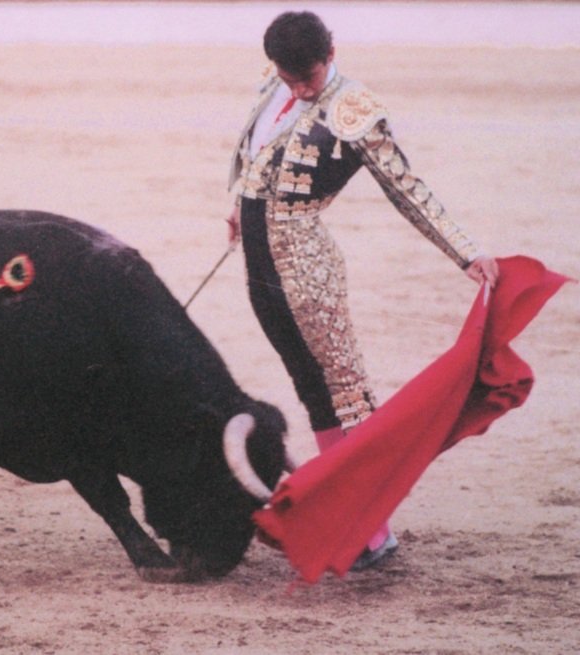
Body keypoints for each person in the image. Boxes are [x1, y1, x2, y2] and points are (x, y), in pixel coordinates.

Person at [226, 11, 499, 570]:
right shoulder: (273, 85)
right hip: (261, 271)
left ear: (332, 52)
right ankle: (348, 515)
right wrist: (238, 205)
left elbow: (405, 188)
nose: (302, 89)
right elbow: (251, 154)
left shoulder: (355, 111)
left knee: (348, 395)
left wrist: (465, 252)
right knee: (311, 389)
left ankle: (373, 531)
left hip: (308, 272)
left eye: (309, 77)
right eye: (291, 78)